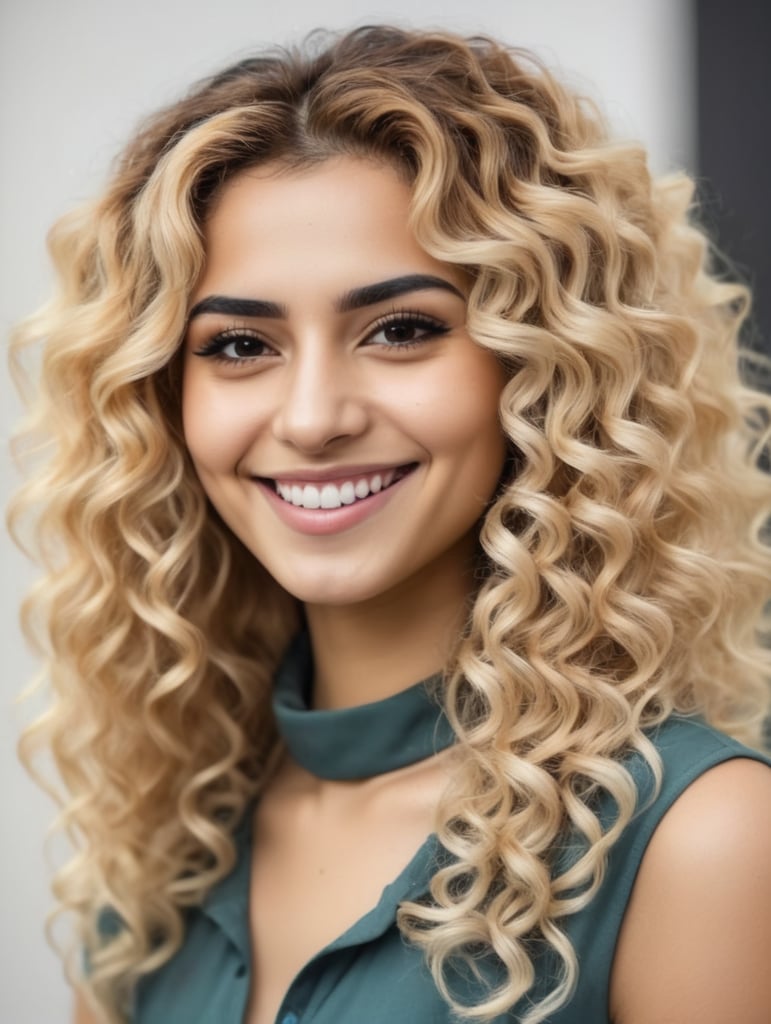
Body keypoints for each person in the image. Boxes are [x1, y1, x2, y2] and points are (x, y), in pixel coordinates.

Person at [9, 25, 771, 1024]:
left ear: (540, 369)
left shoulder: (703, 838)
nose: (314, 416)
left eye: (401, 330)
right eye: (240, 344)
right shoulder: (159, 861)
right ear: (163, 397)